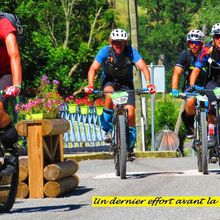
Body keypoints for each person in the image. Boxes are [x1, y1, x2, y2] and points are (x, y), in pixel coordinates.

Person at [84, 28, 155, 160]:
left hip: (126, 83)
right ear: (111, 42)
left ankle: (130, 146)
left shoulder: (131, 52)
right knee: (109, 94)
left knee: (131, 113)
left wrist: (149, 83)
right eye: (116, 42)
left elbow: (143, 67)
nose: (119, 46)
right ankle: (107, 128)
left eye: (122, 43)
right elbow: (93, 68)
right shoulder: (105, 51)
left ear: (125, 43)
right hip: (109, 80)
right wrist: (90, 85)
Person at [189, 23, 220, 146]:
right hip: (212, 81)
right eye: (217, 36)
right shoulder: (206, 50)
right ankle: (211, 134)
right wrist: (191, 84)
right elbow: (196, 70)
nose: (219, 39)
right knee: (211, 105)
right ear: (213, 38)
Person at [171, 29, 206, 138]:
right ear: (188, 43)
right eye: (191, 43)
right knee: (190, 102)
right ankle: (189, 125)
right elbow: (177, 72)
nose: (194, 46)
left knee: (213, 108)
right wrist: (174, 89)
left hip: (206, 86)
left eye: (197, 43)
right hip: (191, 87)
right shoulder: (185, 55)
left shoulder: (207, 54)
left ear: (202, 44)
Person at [0, 15, 22, 171]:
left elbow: (14, 55)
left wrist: (16, 84)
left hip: (5, 73)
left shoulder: (4, 24)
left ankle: (9, 142)